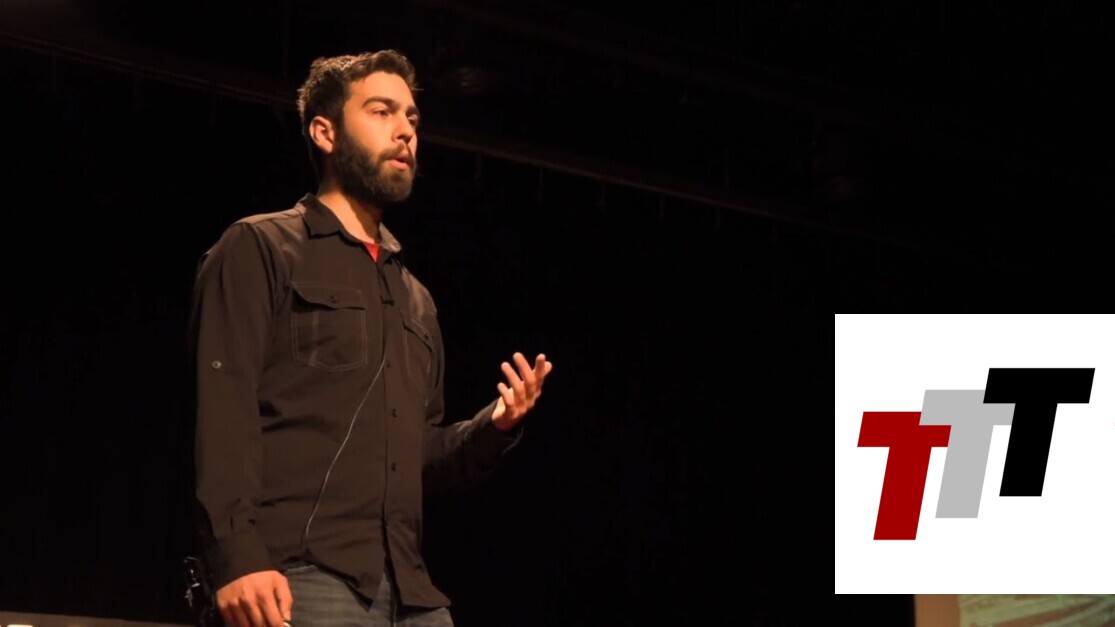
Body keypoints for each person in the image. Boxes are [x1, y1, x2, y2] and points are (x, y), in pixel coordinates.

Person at [186, 49, 553, 627]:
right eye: (382, 112)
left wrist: (493, 427)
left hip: (411, 594)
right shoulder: (260, 248)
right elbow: (222, 407)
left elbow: (419, 458)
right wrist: (235, 557)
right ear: (325, 132)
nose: (405, 130)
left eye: (412, 117)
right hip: (297, 578)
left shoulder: (415, 298)